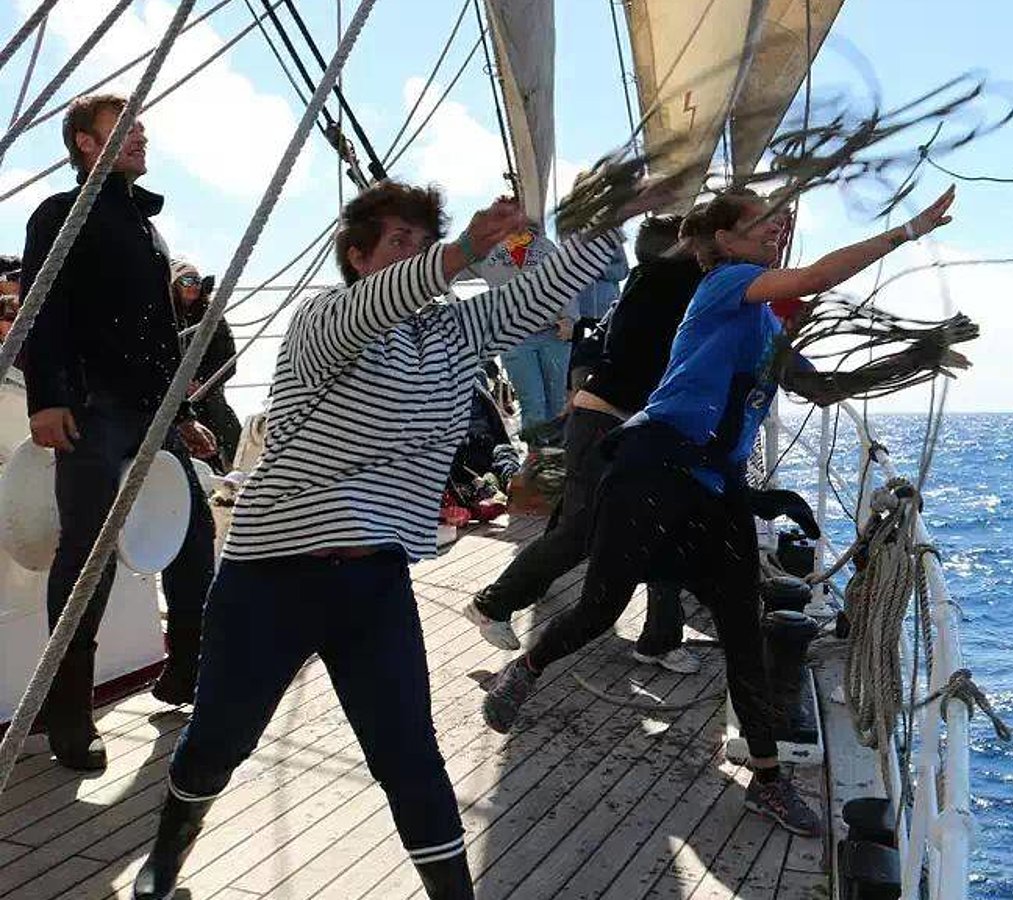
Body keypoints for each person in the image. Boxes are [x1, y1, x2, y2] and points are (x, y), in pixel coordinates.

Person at [130, 179, 650, 900]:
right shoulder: (325, 320)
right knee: (219, 741)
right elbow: (381, 301)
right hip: (271, 577)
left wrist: (609, 222)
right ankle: (163, 865)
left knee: (410, 757)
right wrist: (465, 249)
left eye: (421, 240)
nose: (416, 254)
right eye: (398, 242)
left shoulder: (452, 334)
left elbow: (533, 299)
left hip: (373, 580)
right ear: (358, 255)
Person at [479, 184, 958, 837]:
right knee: (601, 606)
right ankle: (525, 668)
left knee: (742, 628)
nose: (778, 229)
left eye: (782, 223)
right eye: (763, 221)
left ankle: (767, 782)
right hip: (654, 464)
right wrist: (907, 230)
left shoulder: (765, 326)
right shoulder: (724, 285)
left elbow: (821, 388)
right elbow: (817, 275)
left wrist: (917, 357)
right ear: (724, 241)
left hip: (716, 484)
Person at [20, 93, 217, 771]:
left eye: (141, 127)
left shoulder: (145, 229)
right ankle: (68, 710)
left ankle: (186, 670)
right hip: (93, 408)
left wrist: (184, 416)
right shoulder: (58, 213)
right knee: (89, 554)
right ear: (83, 141)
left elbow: (159, 337)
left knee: (192, 534)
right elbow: (39, 305)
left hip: (152, 411)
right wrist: (46, 401)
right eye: (124, 127)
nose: (140, 135)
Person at [462, 215, 703, 672]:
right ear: (685, 247)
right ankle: (494, 603)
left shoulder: (650, 283)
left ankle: (660, 638)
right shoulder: (669, 280)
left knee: (655, 525)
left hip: (623, 421)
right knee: (582, 531)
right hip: (608, 423)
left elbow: (596, 340)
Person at [484, 224, 572, 437]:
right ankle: (537, 457)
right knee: (533, 401)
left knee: (557, 399)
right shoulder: (488, 252)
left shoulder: (547, 248)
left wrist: (569, 317)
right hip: (513, 336)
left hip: (553, 332)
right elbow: (456, 267)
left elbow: (567, 282)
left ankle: (556, 454)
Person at [170, 259, 243, 471]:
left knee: (216, 408)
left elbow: (227, 359)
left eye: (197, 280)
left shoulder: (211, 315)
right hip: (173, 390)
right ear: (174, 285)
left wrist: (201, 382)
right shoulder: (163, 314)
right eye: (187, 280)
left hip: (207, 387)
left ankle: (233, 464)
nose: (194, 285)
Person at [563, 236, 629, 392]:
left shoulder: (614, 242)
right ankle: (571, 395)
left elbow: (623, 271)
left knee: (606, 352)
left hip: (605, 311)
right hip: (578, 310)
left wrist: (598, 269)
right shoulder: (571, 241)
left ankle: (603, 389)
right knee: (573, 357)